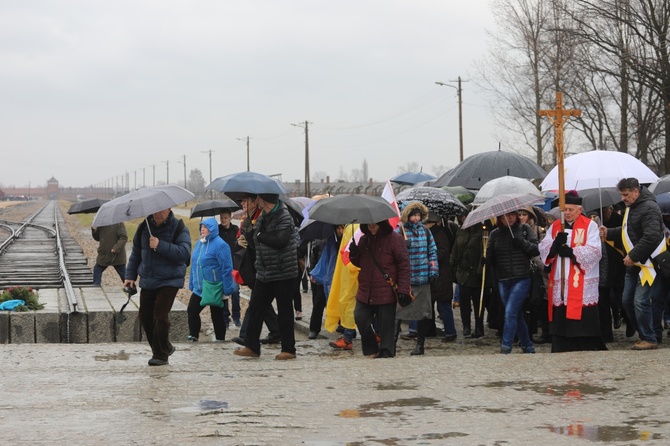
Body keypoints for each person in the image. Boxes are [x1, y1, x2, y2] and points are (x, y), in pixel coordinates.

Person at [600, 178, 665, 350]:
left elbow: (651, 237)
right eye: (622, 194)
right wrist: (609, 232)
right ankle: (646, 332)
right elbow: (627, 232)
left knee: (640, 301)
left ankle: (649, 337)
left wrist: (633, 256)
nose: (623, 198)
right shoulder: (632, 207)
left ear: (636, 192)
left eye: (626, 195)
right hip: (635, 264)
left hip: (648, 264)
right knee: (626, 301)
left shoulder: (649, 208)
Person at [233, 193, 299, 360]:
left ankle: (288, 349)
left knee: (284, 311)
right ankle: (252, 346)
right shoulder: (264, 217)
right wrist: (247, 227)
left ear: (265, 199)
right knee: (256, 307)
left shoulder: (284, 216)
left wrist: (260, 235)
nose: (256, 201)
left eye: (257, 198)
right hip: (265, 272)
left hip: (283, 272)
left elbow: (280, 240)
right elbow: (255, 241)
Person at [539, 192, 605, 352]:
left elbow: (595, 250)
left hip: (581, 279)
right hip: (560, 278)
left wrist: (572, 252)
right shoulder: (556, 226)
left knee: (582, 317)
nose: (567, 213)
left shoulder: (590, 225)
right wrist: (555, 246)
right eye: (564, 209)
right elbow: (543, 246)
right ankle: (561, 345)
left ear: (579, 209)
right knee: (561, 311)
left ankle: (584, 345)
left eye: (570, 209)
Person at [124, 208, 191, 366]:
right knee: (145, 317)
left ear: (169, 209)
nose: (159, 214)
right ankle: (165, 346)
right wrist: (130, 276)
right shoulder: (143, 227)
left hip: (170, 279)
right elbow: (136, 253)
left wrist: (160, 245)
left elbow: (184, 253)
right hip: (148, 278)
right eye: (156, 211)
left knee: (160, 315)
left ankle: (160, 355)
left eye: (163, 210)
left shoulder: (179, 227)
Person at [350, 219, 411, 358]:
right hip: (366, 290)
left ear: (381, 224)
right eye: (368, 224)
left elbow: (404, 265)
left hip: (386, 290)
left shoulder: (395, 239)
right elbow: (359, 262)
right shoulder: (364, 240)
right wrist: (354, 254)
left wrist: (403, 289)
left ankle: (386, 353)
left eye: (374, 224)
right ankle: (371, 349)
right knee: (360, 317)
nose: (371, 227)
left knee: (386, 326)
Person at [230, 193, 281, 346]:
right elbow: (240, 241)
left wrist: (250, 237)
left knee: (257, 301)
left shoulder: (261, 217)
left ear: (255, 202)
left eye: (245, 200)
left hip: (262, 265)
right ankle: (276, 331)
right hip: (251, 265)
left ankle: (246, 335)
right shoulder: (246, 217)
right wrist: (239, 242)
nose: (243, 203)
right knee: (261, 301)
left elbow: (261, 242)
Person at [487, 210, 539, 354]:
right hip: (503, 279)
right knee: (516, 314)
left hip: (521, 277)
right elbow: (491, 258)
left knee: (510, 312)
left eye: (512, 215)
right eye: (505, 215)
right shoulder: (494, 234)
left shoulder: (524, 229)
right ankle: (527, 345)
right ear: (500, 217)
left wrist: (522, 243)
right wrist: (487, 257)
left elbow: (536, 249)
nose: (509, 218)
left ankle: (506, 347)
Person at [394, 202, 439, 355]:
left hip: (423, 279)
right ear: (407, 215)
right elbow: (393, 254)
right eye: (413, 215)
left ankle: (420, 345)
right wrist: (402, 246)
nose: (416, 218)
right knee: (399, 312)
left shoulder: (425, 231)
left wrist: (433, 270)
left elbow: (432, 251)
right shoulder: (401, 231)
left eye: (418, 215)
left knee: (423, 313)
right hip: (406, 280)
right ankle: (392, 343)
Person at [187, 218, 236, 342]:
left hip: (215, 287)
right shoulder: (199, 243)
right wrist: (192, 282)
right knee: (192, 310)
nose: (202, 229)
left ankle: (220, 341)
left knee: (217, 315)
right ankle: (193, 336)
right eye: (201, 226)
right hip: (200, 288)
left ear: (212, 229)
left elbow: (227, 268)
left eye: (205, 227)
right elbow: (195, 264)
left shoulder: (221, 245)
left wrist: (227, 288)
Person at [450, 213, 486, 339]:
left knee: (478, 302)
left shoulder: (482, 231)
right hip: (462, 272)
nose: (463, 218)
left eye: (466, 216)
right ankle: (466, 326)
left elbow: (483, 251)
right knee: (464, 302)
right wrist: (452, 265)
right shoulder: (461, 231)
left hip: (476, 272)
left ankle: (479, 326)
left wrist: (480, 270)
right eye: (462, 216)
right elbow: (455, 248)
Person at [308, 225, 346, 339]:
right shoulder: (323, 240)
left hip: (340, 275)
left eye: (342, 228)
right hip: (324, 275)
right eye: (338, 228)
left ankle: (343, 324)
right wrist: (313, 271)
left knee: (342, 300)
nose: (340, 231)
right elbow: (314, 255)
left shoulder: (347, 240)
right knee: (319, 301)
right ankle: (314, 328)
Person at [425, 211, 458, 342]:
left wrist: (429, 254)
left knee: (444, 307)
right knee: (430, 306)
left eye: (428, 223)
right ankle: (429, 331)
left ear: (435, 223)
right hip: (436, 277)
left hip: (442, 277)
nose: (426, 225)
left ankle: (450, 332)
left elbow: (443, 254)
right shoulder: (432, 234)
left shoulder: (440, 235)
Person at [218, 209, 241, 327]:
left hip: (233, 265)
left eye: (225, 218)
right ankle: (225, 317)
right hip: (221, 266)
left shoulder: (235, 230)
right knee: (224, 293)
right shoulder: (217, 231)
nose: (223, 220)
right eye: (221, 217)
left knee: (235, 291)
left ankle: (236, 316)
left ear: (230, 218)